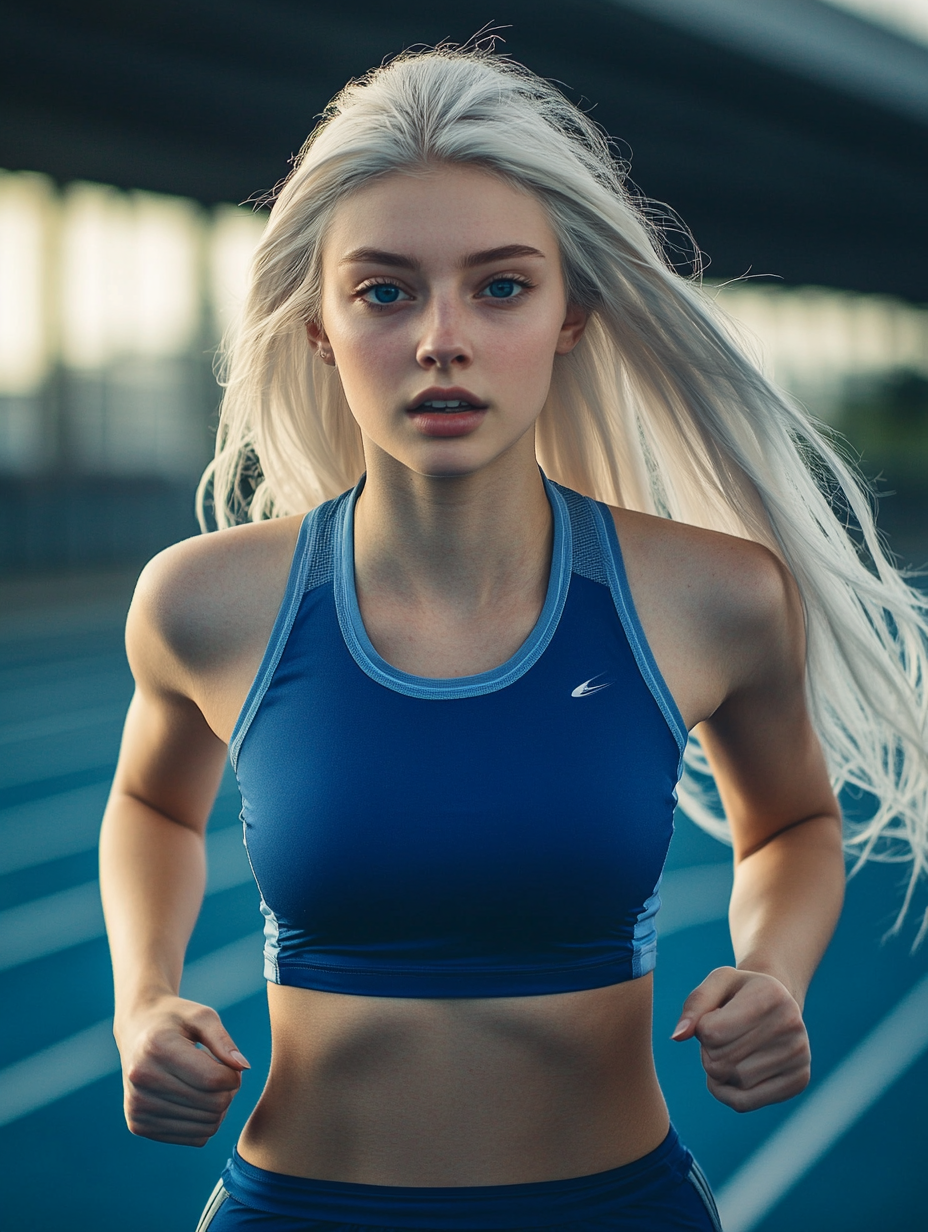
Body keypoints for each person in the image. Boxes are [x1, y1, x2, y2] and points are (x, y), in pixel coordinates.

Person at [99, 46, 928, 1232]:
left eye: (499, 286)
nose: (442, 337)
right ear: (320, 325)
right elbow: (153, 807)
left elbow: (792, 822)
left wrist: (775, 973)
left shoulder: (714, 599)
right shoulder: (203, 604)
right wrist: (142, 1001)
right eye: (385, 290)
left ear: (571, 313)